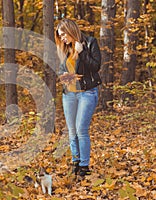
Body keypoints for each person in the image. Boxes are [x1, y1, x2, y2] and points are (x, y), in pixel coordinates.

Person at [55, 19, 102, 176]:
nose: (62, 38)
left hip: (87, 92)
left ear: (70, 30)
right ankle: (75, 162)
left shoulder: (90, 42)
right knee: (71, 130)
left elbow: (95, 67)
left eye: (63, 35)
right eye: (60, 36)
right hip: (69, 94)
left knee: (81, 129)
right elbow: (61, 70)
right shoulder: (65, 48)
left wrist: (81, 53)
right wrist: (64, 76)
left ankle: (84, 166)